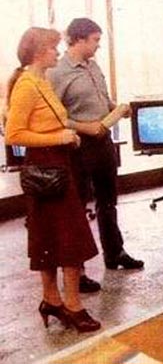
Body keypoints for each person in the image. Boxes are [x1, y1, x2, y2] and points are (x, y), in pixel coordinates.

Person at [4, 27, 101, 332]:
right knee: (69, 238)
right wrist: (59, 137)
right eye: (53, 48)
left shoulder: (41, 81)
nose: (58, 52)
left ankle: (52, 300)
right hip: (46, 169)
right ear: (38, 52)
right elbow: (14, 134)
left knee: (52, 238)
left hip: (57, 165)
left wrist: (66, 135)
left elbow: (45, 123)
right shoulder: (27, 85)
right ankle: (72, 305)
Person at [48, 18, 143, 288]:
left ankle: (115, 253)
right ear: (78, 39)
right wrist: (85, 127)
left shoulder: (93, 65)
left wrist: (117, 109)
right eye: (95, 40)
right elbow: (54, 117)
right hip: (78, 145)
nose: (98, 46)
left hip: (103, 142)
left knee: (108, 201)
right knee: (77, 207)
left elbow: (102, 99)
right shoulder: (56, 72)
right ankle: (76, 272)